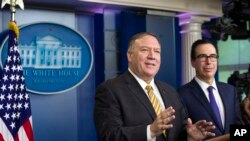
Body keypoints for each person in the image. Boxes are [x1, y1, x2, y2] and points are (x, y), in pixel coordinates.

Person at [94, 32, 215, 141]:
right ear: (130, 56)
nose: (152, 56)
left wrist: (189, 136)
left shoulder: (171, 91)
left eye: (157, 51)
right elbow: (109, 135)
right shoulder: (110, 89)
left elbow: (176, 134)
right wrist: (150, 131)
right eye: (145, 50)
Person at [178, 39, 242, 140]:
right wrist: (190, 138)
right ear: (193, 62)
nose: (209, 62)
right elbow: (178, 136)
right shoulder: (181, 95)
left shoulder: (230, 91)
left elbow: (239, 128)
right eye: (203, 57)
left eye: (212, 56)